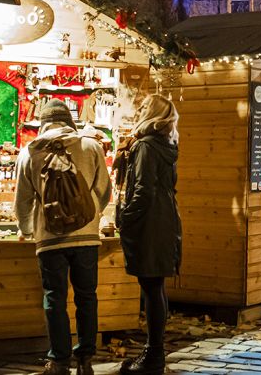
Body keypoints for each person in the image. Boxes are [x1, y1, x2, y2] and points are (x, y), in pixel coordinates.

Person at [15, 99, 111, 375]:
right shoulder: (91, 146)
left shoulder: (29, 152)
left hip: (49, 239)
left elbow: (23, 201)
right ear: (69, 121)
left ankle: (58, 360)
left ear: (43, 123)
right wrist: (90, 218)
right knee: (87, 296)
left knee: (54, 298)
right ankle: (86, 359)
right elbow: (104, 191)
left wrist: (27, 231)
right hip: (87, 238)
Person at [117, 95, 183, 375]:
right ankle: (154, 352)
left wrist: (125, 218)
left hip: (149, 222)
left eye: (144, 107)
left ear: (153, 113)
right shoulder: (166, 144)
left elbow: (143, 190)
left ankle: (153, 356)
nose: (139, 109)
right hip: (165, 218)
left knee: (151, 287)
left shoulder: (145, 146)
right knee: (156, 287)